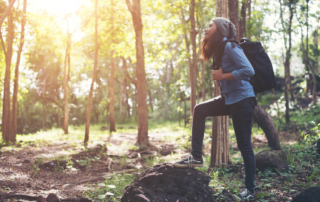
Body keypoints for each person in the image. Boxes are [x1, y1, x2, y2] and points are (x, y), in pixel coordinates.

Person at [173, 17, 256, 200]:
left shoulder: (230, 46)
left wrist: (223, 75)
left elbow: (249, 71)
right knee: (199, 109)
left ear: (220, 30)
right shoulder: (219, 49)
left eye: (210, 25)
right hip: (230, 99)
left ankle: (250, 190)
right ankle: (196, 157)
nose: (206, 28)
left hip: (243, 99)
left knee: (244, 145)